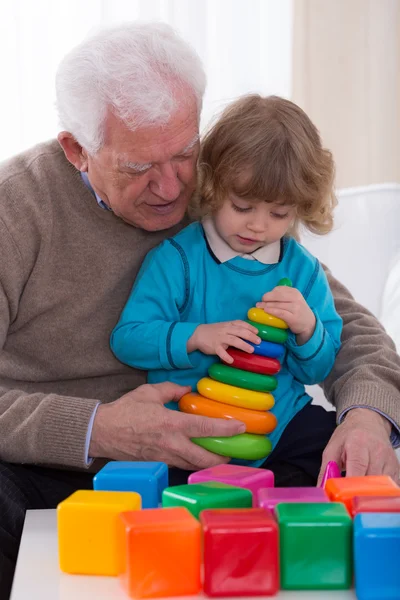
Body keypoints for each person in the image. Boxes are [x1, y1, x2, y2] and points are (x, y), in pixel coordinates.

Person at [0, 22, 398, 598]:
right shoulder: (17, 210)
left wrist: (368, 416)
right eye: (139, 168)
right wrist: (94, 428)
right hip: (44, 463)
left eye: (185, 153)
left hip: (210, 456)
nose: (172, 188)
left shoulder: (226, 197)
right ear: (76, 150)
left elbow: (348, 326)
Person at [110, 93, 344, 470]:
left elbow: (316, 370)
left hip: (278, 426)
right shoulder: (179, 258)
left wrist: (307, 329)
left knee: (334, 447)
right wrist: (197, 335)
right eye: (242, 207)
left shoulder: (304, 271)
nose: (258, 225)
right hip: (191, 429)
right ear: (212, 185)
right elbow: (128, 338)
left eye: (279, 213)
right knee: (164, 486)